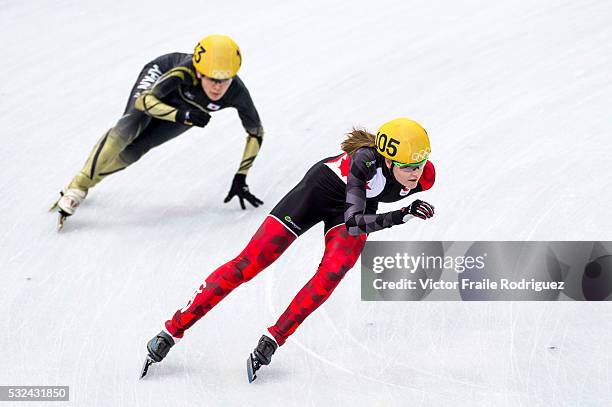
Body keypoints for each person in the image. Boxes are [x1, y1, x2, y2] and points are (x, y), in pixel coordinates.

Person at [144, 118, 436, 381]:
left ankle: (274, 339)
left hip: (356, 205)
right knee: (249, 264)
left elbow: (356, 217)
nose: (415, 174)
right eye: (408, 167)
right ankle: (172, 329)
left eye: (419, 166)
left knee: (333, 273)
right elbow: (355, 222)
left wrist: (402, 204)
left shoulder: (424, 177)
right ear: (386, 160)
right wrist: (401, 215)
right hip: (317, 193)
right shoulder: (364, 162)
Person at [51, 34, 265, 226]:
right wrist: (180, 115)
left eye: (224, 80)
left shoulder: (237, 93)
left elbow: (255, 132)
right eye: (212, 79)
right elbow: (144, 102)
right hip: (158, 83)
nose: (218, 87)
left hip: (186, 107)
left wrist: (241, 176)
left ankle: (87, 182)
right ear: (199, 73)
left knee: (137, 149)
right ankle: (78, 187)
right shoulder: (183, 71)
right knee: (130, 126)